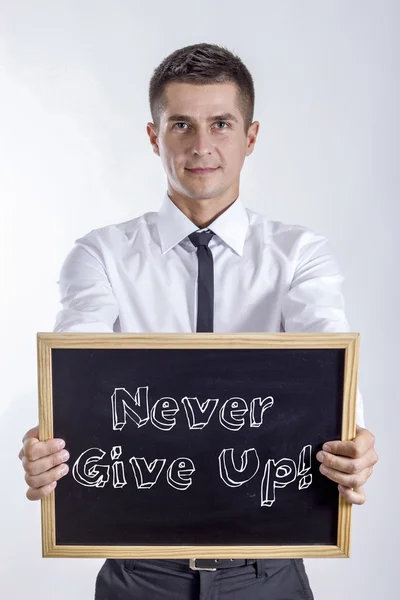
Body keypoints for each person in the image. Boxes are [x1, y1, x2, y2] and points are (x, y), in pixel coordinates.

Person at [18, 42, 378, 599]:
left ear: (251, 137)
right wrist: (50, 440)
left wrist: (354, 438)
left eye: (221, 124)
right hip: (141, 574)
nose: (202, 145)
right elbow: (75, 374)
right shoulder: (101, 256)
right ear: (153, 136)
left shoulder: (299, 255)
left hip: (268, 573)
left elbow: (328, 355)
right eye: (181, 124)